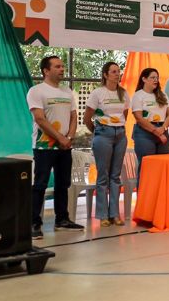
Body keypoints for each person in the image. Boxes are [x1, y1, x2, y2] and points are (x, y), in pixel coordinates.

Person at [27, 56, 85, 239]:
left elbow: (74, 116)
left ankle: (62, 220)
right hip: (44, 147)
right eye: (57, 66)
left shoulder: (67, 91)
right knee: (40, 184)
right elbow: (39, 119)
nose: (62, 69)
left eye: (62, 66)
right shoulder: (36, 91)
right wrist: (60, 137)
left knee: (63, 183)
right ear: (46, 70)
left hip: (65, 147)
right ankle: (34, 223)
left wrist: (69, 137)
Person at [84, 62, 130, 228]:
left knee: (115, 176)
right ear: (105, 75)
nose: (117, 74)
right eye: (113, 72)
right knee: (103, 175)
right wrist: (99, 131)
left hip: (120, 134)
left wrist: (117, 127)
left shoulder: (123, 93)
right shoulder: (98, 93)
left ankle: (115, 214)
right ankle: (103, 215)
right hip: (103, 133)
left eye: (119, 71)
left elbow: (124, 114)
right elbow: (87, 118)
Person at [131, 68, 169, 177]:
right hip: (145, 133)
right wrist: (157, 132)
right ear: (144, 79)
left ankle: (160, 194)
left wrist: (163, 128)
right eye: (152, 77)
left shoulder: (163, 95)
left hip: (162, 129)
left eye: (157, 78)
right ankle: (144, 194)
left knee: (162, 167)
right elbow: (139, 118)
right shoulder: (138, 95)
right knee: (147, 168)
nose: (156, 80)